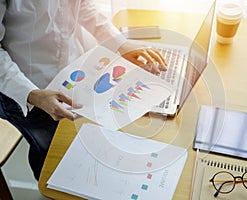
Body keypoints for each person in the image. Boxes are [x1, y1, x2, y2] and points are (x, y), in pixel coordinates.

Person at [0, 0, 167, 180]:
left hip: (70, 74)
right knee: (49, 151)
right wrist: (32, 94)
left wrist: (119, 43)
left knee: (76, 141)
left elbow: (83, 5)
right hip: (25, 89)